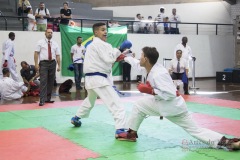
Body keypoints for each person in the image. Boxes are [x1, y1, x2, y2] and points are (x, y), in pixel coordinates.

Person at [116, 47, 240, 151]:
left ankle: (131, 134)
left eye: (141, 56)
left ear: (146, 59)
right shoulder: (150, 67)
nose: (139, 58)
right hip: (174, 106)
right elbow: (136, 64)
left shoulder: (159, 73)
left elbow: (171, 93)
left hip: (169, 105)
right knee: (195, 130)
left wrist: (150, 91)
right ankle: (228, 142)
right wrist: (124, 58)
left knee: (139, 105)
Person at [70, 22, 130, 139]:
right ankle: (120, 130)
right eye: (102, 30)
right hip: (98, 79)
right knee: (116, 104)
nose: (105, 32)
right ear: (96, 32)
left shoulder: (93, 45)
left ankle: (76, 117)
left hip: (91, 80)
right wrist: (121, 49)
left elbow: (108, 59)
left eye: (106, 30)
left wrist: (119, 54)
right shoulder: (101, 44)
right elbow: (109, 58)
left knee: (90, 100)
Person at [34, 29, 61, 106]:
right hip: (44, 63)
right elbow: (36, 53)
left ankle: (48, 99)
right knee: (43, 81)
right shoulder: (40, 42)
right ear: (45, 33)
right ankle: (42, 100)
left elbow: (58, 55)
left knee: (51, 81)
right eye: (48, 32)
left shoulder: (55, 43)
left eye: (51, 33)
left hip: (53, 63)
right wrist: (36, 64)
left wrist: (59, 66)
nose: (50, 34)